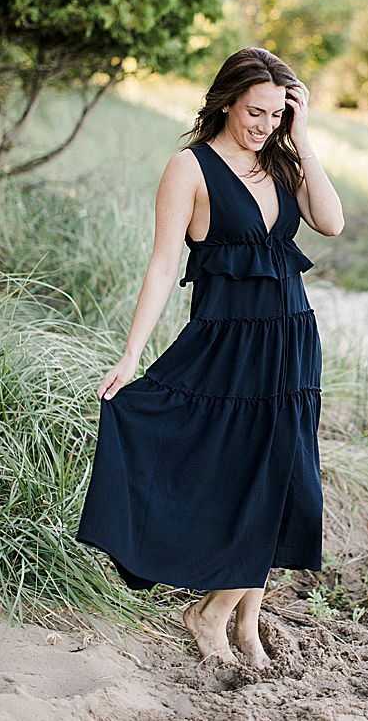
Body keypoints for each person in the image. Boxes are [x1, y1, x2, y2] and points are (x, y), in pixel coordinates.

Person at [77, 47, 344, 667]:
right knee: (250, 479)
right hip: (227, 349)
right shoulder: (189, 168)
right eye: (255, 112)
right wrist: (130, 355)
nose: (264, 125)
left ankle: (248, 622)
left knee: (284, 478)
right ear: (226, 101)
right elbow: (164, 263)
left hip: (292, 345)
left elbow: (329, 221)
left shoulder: (283, 158)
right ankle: (209, 614)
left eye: (277, 114)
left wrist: (301, 137)